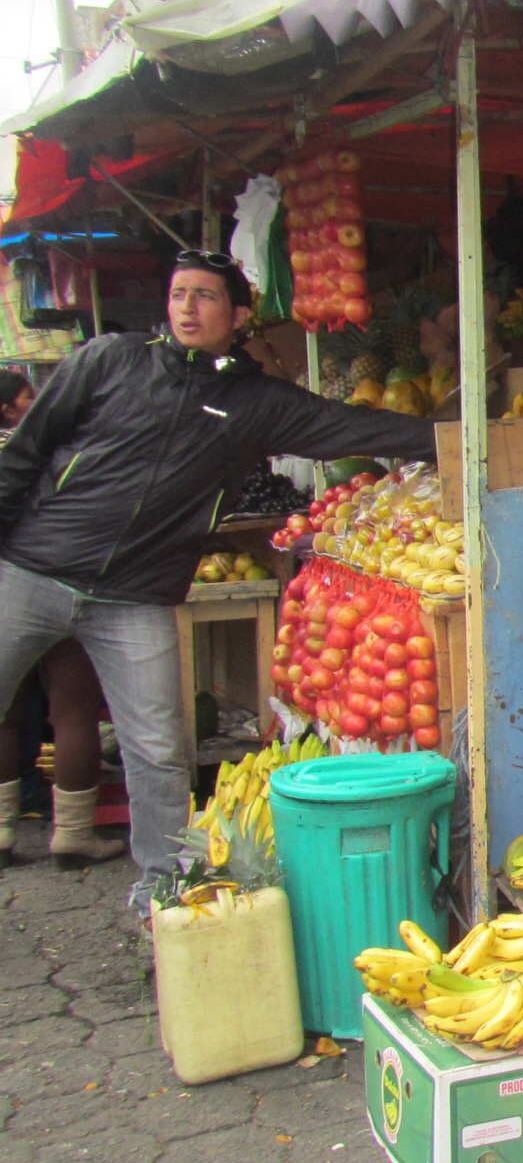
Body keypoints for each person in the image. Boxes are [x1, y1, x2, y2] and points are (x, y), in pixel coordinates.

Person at [0, 250, 438, 897]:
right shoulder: (109, 360)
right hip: (34, 568)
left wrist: (466, 432)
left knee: (157, 747)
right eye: (179, 294)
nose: (186, 307)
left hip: (135, 596)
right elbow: (28, 450)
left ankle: (161, 890)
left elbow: (348, 424)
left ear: (236, 316)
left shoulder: (255, 402)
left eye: (204, 296)